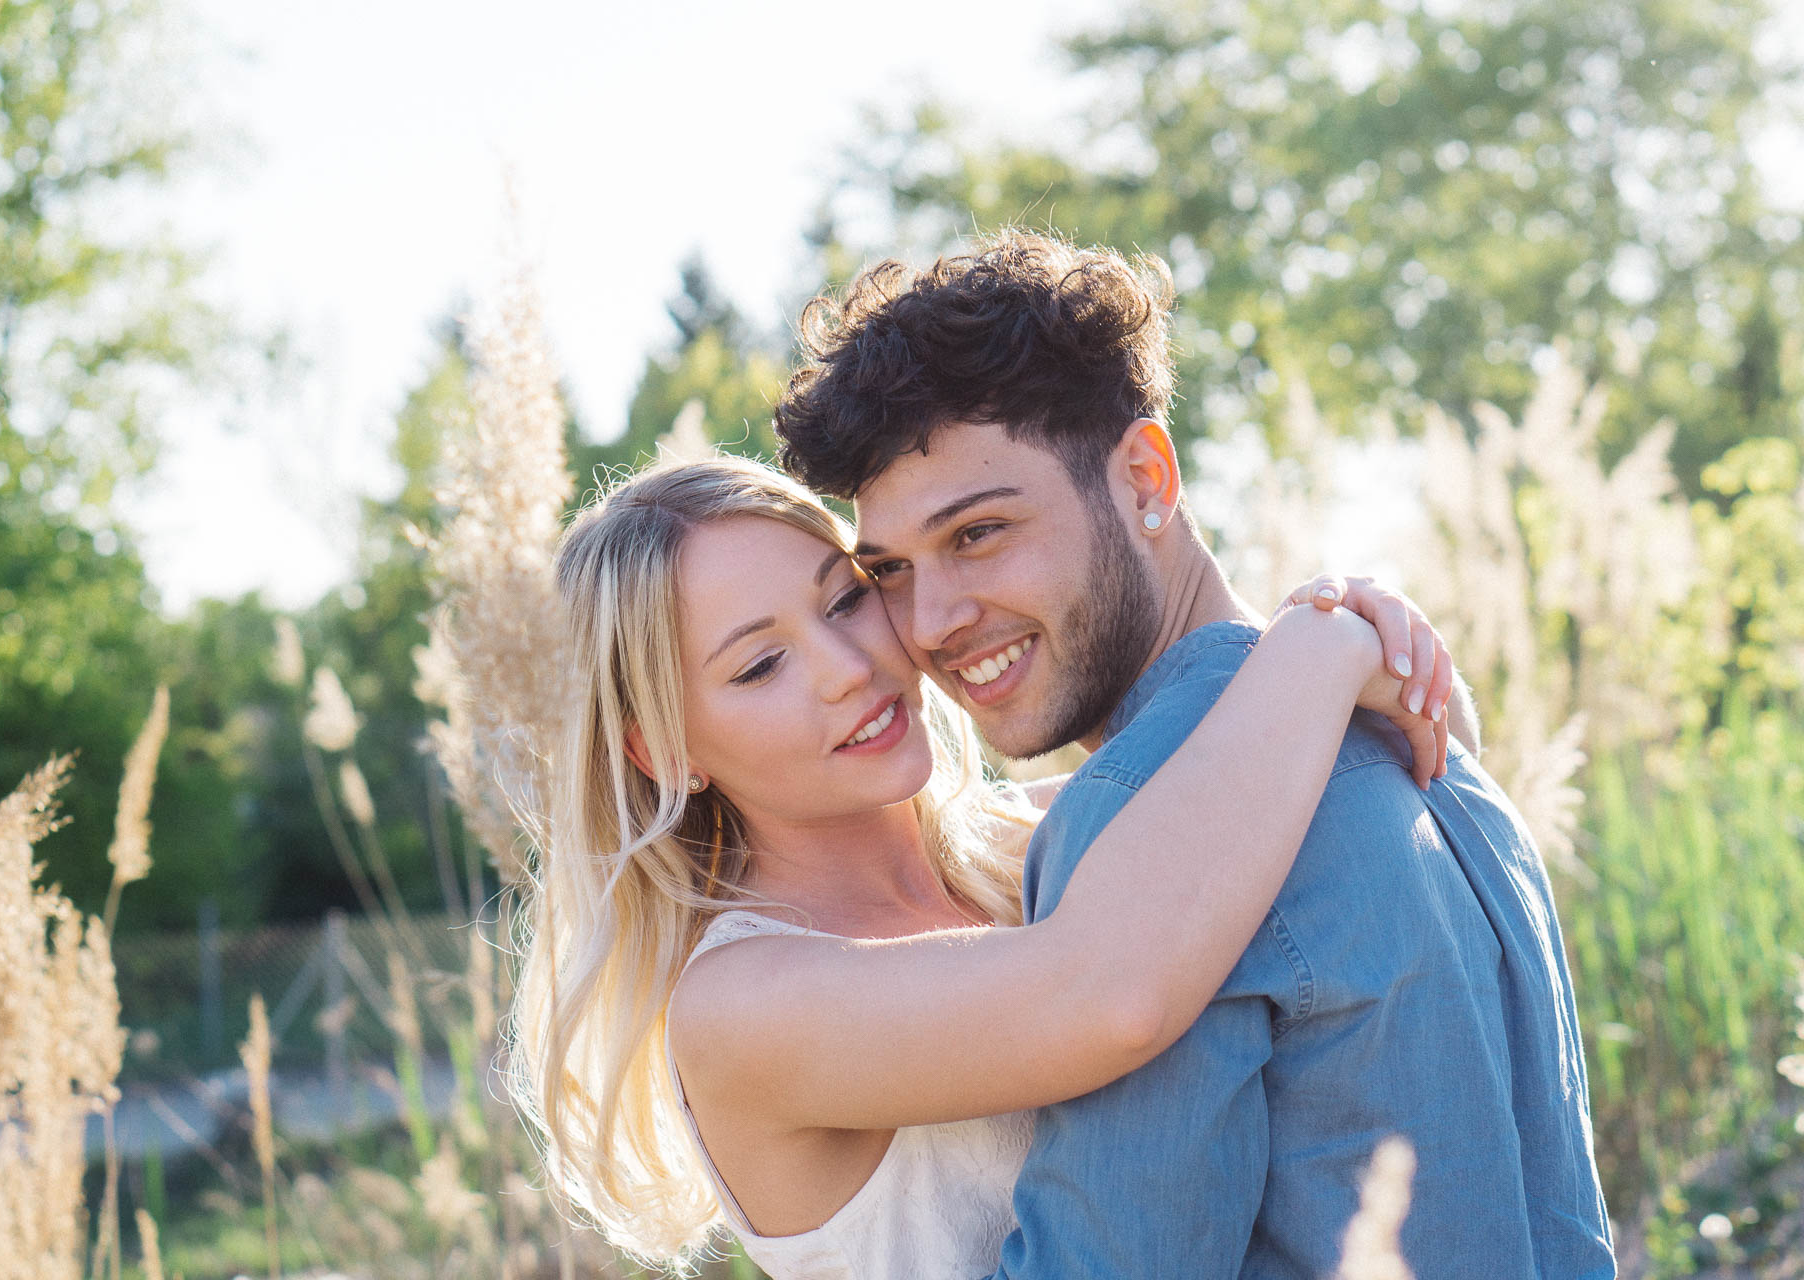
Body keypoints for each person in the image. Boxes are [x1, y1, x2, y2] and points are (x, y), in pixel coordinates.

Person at [772, 228, 1617, 1277]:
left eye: (980, 532)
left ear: (1145, 476)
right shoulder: (1426, 743)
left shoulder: (1150, 826)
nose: (933, 618)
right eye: (890, 568)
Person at [508, 454, 1457, 1278]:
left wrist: (1369, 630)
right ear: (666, 753)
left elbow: (1393, 784)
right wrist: (1324, 646)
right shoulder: (740, 1005)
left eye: (847, 597)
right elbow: (1110, 996)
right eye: (761, 666)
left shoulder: (1034, 836)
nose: (848, 664)